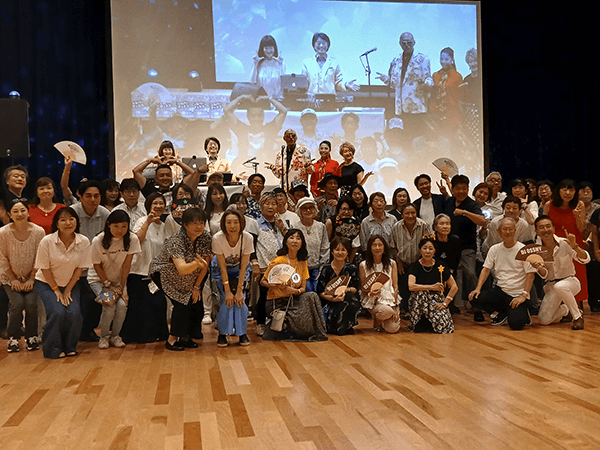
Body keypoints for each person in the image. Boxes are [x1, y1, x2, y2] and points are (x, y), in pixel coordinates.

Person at [34, 207, 92, 358]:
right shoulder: (47, 241)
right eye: (63, 220)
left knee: (74, 313)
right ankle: (52, 349)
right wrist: (56, 290)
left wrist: (67, 290)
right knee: (57, 312)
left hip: (70, 283)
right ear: (57, 223)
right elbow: (44, 269)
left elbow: (79, 269)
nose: (68, 223)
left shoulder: (83, 241)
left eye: (71, 219)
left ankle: (70, 346)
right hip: (46, 283)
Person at [149, 208, 209, 351]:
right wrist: (196, 264)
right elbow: (182, 269)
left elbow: (205, 266)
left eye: (201, 223)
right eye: (194, 223)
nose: (199, 226)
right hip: (165, 274)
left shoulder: (205, 237)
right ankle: (171, 340)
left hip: (190, 277)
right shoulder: (176, 240)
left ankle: (186, 337)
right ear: (185, 225)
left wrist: (196, 287)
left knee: (196, 304)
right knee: (182, 303)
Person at [468, 217, 536, 330]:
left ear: (515, 231)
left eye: (510, 229)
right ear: (498, 231)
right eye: (504, 229)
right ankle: (504, 312)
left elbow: (530, 275)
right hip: (501, 291)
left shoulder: (523, 250)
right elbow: (486, 269)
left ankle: (523, 312)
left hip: (518, 294)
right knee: (474, 297)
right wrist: (478, 288)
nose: (508, 232)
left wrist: (523, 296)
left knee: (516, 324)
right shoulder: (494, 249)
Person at [260, 229, 328, 341]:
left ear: (302, 243)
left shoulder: (302, 262)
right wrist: (276, 285)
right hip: (277, 301)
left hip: (294, 298)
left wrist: (295, 291)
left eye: (298, 238)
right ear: (286, 242)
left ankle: (319, 330)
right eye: (291, 238)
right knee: (302, 320)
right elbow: (263, 281)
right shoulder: (278, 261)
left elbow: (303, 288)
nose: (295, 241)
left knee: (312, 296)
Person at [120, 193, 170, 344]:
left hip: (156, 274)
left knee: (159, 303)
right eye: (155, 203)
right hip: (138, 271)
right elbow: (136, 241)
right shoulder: (142, 221)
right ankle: (137, 337)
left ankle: (157, 334)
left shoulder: (164, 226)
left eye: (161, 203)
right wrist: (147, 223)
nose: (158, 206)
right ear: (149, 205)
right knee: (140, 307)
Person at [88, 210, 141, 349]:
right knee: (109, 304)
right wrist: (108, 285)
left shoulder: (132, 239)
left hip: (118, 281)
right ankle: (104, 337)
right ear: (109, 225)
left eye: (124, 226)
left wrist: (122, 288)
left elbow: (126, 265)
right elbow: (96, 265)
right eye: (116, 226)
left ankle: (115, 336)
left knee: (122, 306)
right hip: (98, 280)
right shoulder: (98, 240)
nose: (120, 230)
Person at [0, 199, 45, 352]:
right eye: (15, 211)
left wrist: (31, 278)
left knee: (31, 304)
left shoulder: (39, 232)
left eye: (22, 210)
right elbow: (2, 258)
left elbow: (40, 257)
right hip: (9, 277)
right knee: (17, 303)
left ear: (28, 212)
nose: (19, 214)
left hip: (33, 277)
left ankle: (32, 336)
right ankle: (13, 337)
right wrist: (13, 279)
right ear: (9, 214)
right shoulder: (3, 233)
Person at [70, 180, 111, 343]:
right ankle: (76, 332)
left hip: (97, 268)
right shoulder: (72, 213)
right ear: (79, 196)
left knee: (99, 299)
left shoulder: (105, 214)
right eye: (88, 196)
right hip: (74, 267)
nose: (92, 199)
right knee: (81, 301)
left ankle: (89, 330)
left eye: (96, 196)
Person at [376, 32, 433, 144]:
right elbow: (394, 84)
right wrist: (386, 79)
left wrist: (426, 84)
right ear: (400, 44)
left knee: (417, 134)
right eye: (404, 43)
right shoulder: (395, 61)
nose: (406, 45)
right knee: (405, 135)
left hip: (416, 104)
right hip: (401, 105)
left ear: (414, 42)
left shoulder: (423, 59)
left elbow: (428, 78)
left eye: (409, 42)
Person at [533, 215, 589, 330]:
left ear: (553, 228)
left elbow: (585, 259)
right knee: (543, 320)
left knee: (560, 286)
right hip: (551, 286)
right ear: (536, 231)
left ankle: (577, 317)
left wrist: (575, 247)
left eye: (548, 226)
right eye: (541, 227)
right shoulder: (536, 250)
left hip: (570, 281)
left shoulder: (565, 242)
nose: (545, 230)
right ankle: (565, 310)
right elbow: (544, 275)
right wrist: (538, 267)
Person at [443, 175, 487, 309]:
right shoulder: (449, 202)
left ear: (468, 189)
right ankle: (452, 305)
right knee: (451, 274)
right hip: (450, 247)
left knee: (470, 274)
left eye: (464, 188)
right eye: (457, 188)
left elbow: (482, 221)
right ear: (453, 190)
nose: (461, 191)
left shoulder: (471, 204)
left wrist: (464, 212)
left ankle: (476, 306)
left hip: (467, 247)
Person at [543, 179, 588, 308]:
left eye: (571, 190)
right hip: (555, 244)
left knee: (577, 274)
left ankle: (578, 305)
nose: (567, 193)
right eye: (564, 189)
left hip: (573, 243)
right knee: (559, 273)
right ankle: (561, 306)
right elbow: (543, 224)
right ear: (559, 191)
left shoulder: (579, 204)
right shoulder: (549, 205)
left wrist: (577, 216)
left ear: (575, 192)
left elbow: (581, 229)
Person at [213, 210, 253, 347]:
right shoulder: (217, 238)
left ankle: (242, 333)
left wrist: (239, 289)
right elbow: (222, 267)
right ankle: (223, 333)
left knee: (240, 299)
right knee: (226, 299)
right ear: (223, 224)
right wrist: (227, 289)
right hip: (220, 269)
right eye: (228, 222)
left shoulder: (247, 238)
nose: (232, 226)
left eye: (236, 222)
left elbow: (244, 266)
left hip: (239, 269)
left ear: (241, 223)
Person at [407, 237, 458, 333]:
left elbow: (454, 286)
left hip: (436, 300)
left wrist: (445, 303)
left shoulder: (440, 265)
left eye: (431, 248)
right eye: (424, 248)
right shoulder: (414, 266)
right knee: (421, 296)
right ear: (420, 250)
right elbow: (411, 286)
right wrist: (431, 287)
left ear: (434, 251)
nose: (427, 251)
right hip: (419, 300)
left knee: (444, 326)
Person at [389, 203, 433, 313]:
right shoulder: (396, 227)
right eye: (407, 213)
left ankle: (418, 310)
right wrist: (399, 262)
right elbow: (393, 247)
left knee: (418, 289)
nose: (410, 216)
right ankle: (405, 310)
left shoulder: (424, 225)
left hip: (419, 263)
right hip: (402, 263)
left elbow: (430, 243)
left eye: (413, 213)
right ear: (402, 215)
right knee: (404, 288)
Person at [254, 192, 287, 336]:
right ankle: (260, 323)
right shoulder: (256, 224)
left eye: (274, 204)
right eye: (267, 203)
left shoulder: (281, 222)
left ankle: (276, 322)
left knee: (279, 294)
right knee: (264, 295)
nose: (270, 207)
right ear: (261, 206)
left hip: (281, 266)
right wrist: (254, 263)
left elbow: (290, 239)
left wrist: (282, 228)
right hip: (264, 266)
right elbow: (252, 245)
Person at [317, 236, 361, 335]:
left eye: (343, 250)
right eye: (337, 249)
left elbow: (355, 288)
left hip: (345, 299)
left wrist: (346, 289)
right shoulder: (325, 269)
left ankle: (345, 325)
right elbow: (321, 292)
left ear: (347, 252)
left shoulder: (352, 268)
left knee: (351, 298)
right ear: (332, 252)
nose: (340, 253)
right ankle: (335, 326)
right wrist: (332, 299)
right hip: (329, 300)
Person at [359, 235, 401, 333]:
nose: (377, 248)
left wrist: (394, 307)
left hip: (390, 301)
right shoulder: (363, 265)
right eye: (374, 245)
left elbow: (395, 287)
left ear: (384, 247)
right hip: (373, 302)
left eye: (380, 245)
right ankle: (377, 319)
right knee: (387, 311)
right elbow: (364, 287)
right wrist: (370, 293)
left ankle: (384, 318)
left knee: (393, 329)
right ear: (370, 248)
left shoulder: (392, 263)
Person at [291, 197, 329, 293]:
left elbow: (325, 247)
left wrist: (322, 267)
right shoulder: (295, 227)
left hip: (317, 267)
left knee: (318, 290)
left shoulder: (321, 226)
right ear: (299, 211)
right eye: (304, 208)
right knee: (307, 291)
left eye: (311, 207)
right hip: (300, 266)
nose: (308, 210)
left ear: (315, 209)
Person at [431, 47, 463, 137]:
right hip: (436, 112)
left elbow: (459, 96)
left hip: (451, 112)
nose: (443, 61)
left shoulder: (457, 76)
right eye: (441, 59)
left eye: (446, 59)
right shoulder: (435, 75)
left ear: (452, 60)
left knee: (450, 137)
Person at [250, 35, 285, 99]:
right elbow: (252, 81)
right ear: (262, 49)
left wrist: (281, 65)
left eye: (271, 48)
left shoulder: (279, 63)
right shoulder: (259, 63)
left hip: (276, 100)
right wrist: (255, 64)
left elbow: (284, 84)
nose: (269, 51)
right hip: (261, 100)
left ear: (274, 48)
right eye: (266, 48)